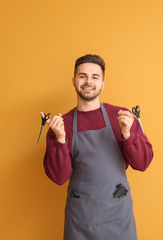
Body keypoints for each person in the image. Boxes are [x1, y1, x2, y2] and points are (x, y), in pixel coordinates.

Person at [42, 54, 153, 240]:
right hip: (80, 219)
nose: (88, 81)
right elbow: (59, 178)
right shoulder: (62, 125)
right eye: (82, 76)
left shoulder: (121, 118)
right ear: (74, 81)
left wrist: (128, 135)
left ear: (103, 83)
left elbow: (143, 163)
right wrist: (60, 140)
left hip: (118, 216)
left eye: (95, 77)